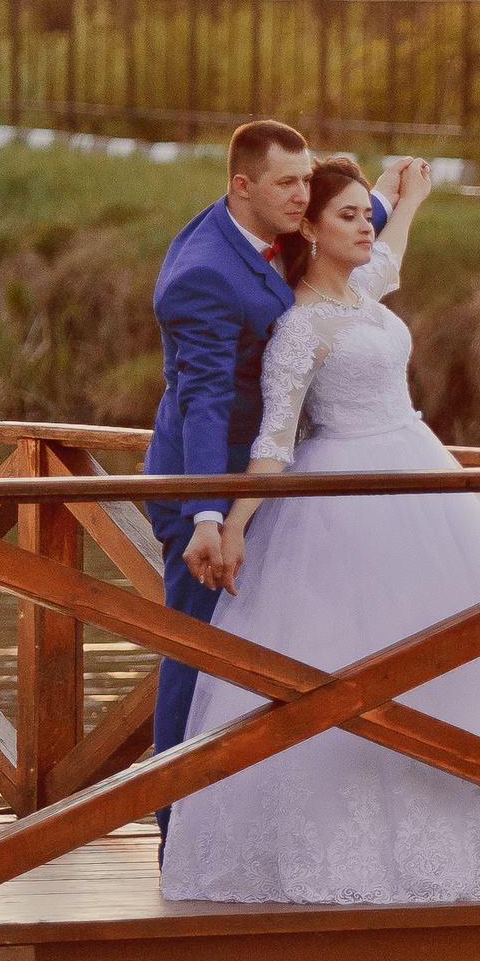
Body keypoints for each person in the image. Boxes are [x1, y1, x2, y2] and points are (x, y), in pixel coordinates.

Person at [158, 155, 480, 909]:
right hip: (347, 496)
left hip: (421, 481)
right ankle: (349, 850)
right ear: (310, 230)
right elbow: (274, 441)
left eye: (363, 214)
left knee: (459, 655)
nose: (365, 227)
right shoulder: (299, 327)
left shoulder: (360, 290)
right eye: (348, 217)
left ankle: (475, 835)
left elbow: (389, 261)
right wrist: (232, 523)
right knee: (348, 665)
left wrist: (406, 201)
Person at [144, 119, 387, 781]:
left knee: (278, 648)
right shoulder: (205, 274)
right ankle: (174, 812)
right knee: (199, 653)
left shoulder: (272, 222)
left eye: (307, 180)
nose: (303, 195)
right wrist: (206, 514)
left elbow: (345, 217)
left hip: (271, 480)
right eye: (288, 183)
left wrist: (390, 194)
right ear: (243, 185)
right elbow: (205, 401)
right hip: (210, 481)